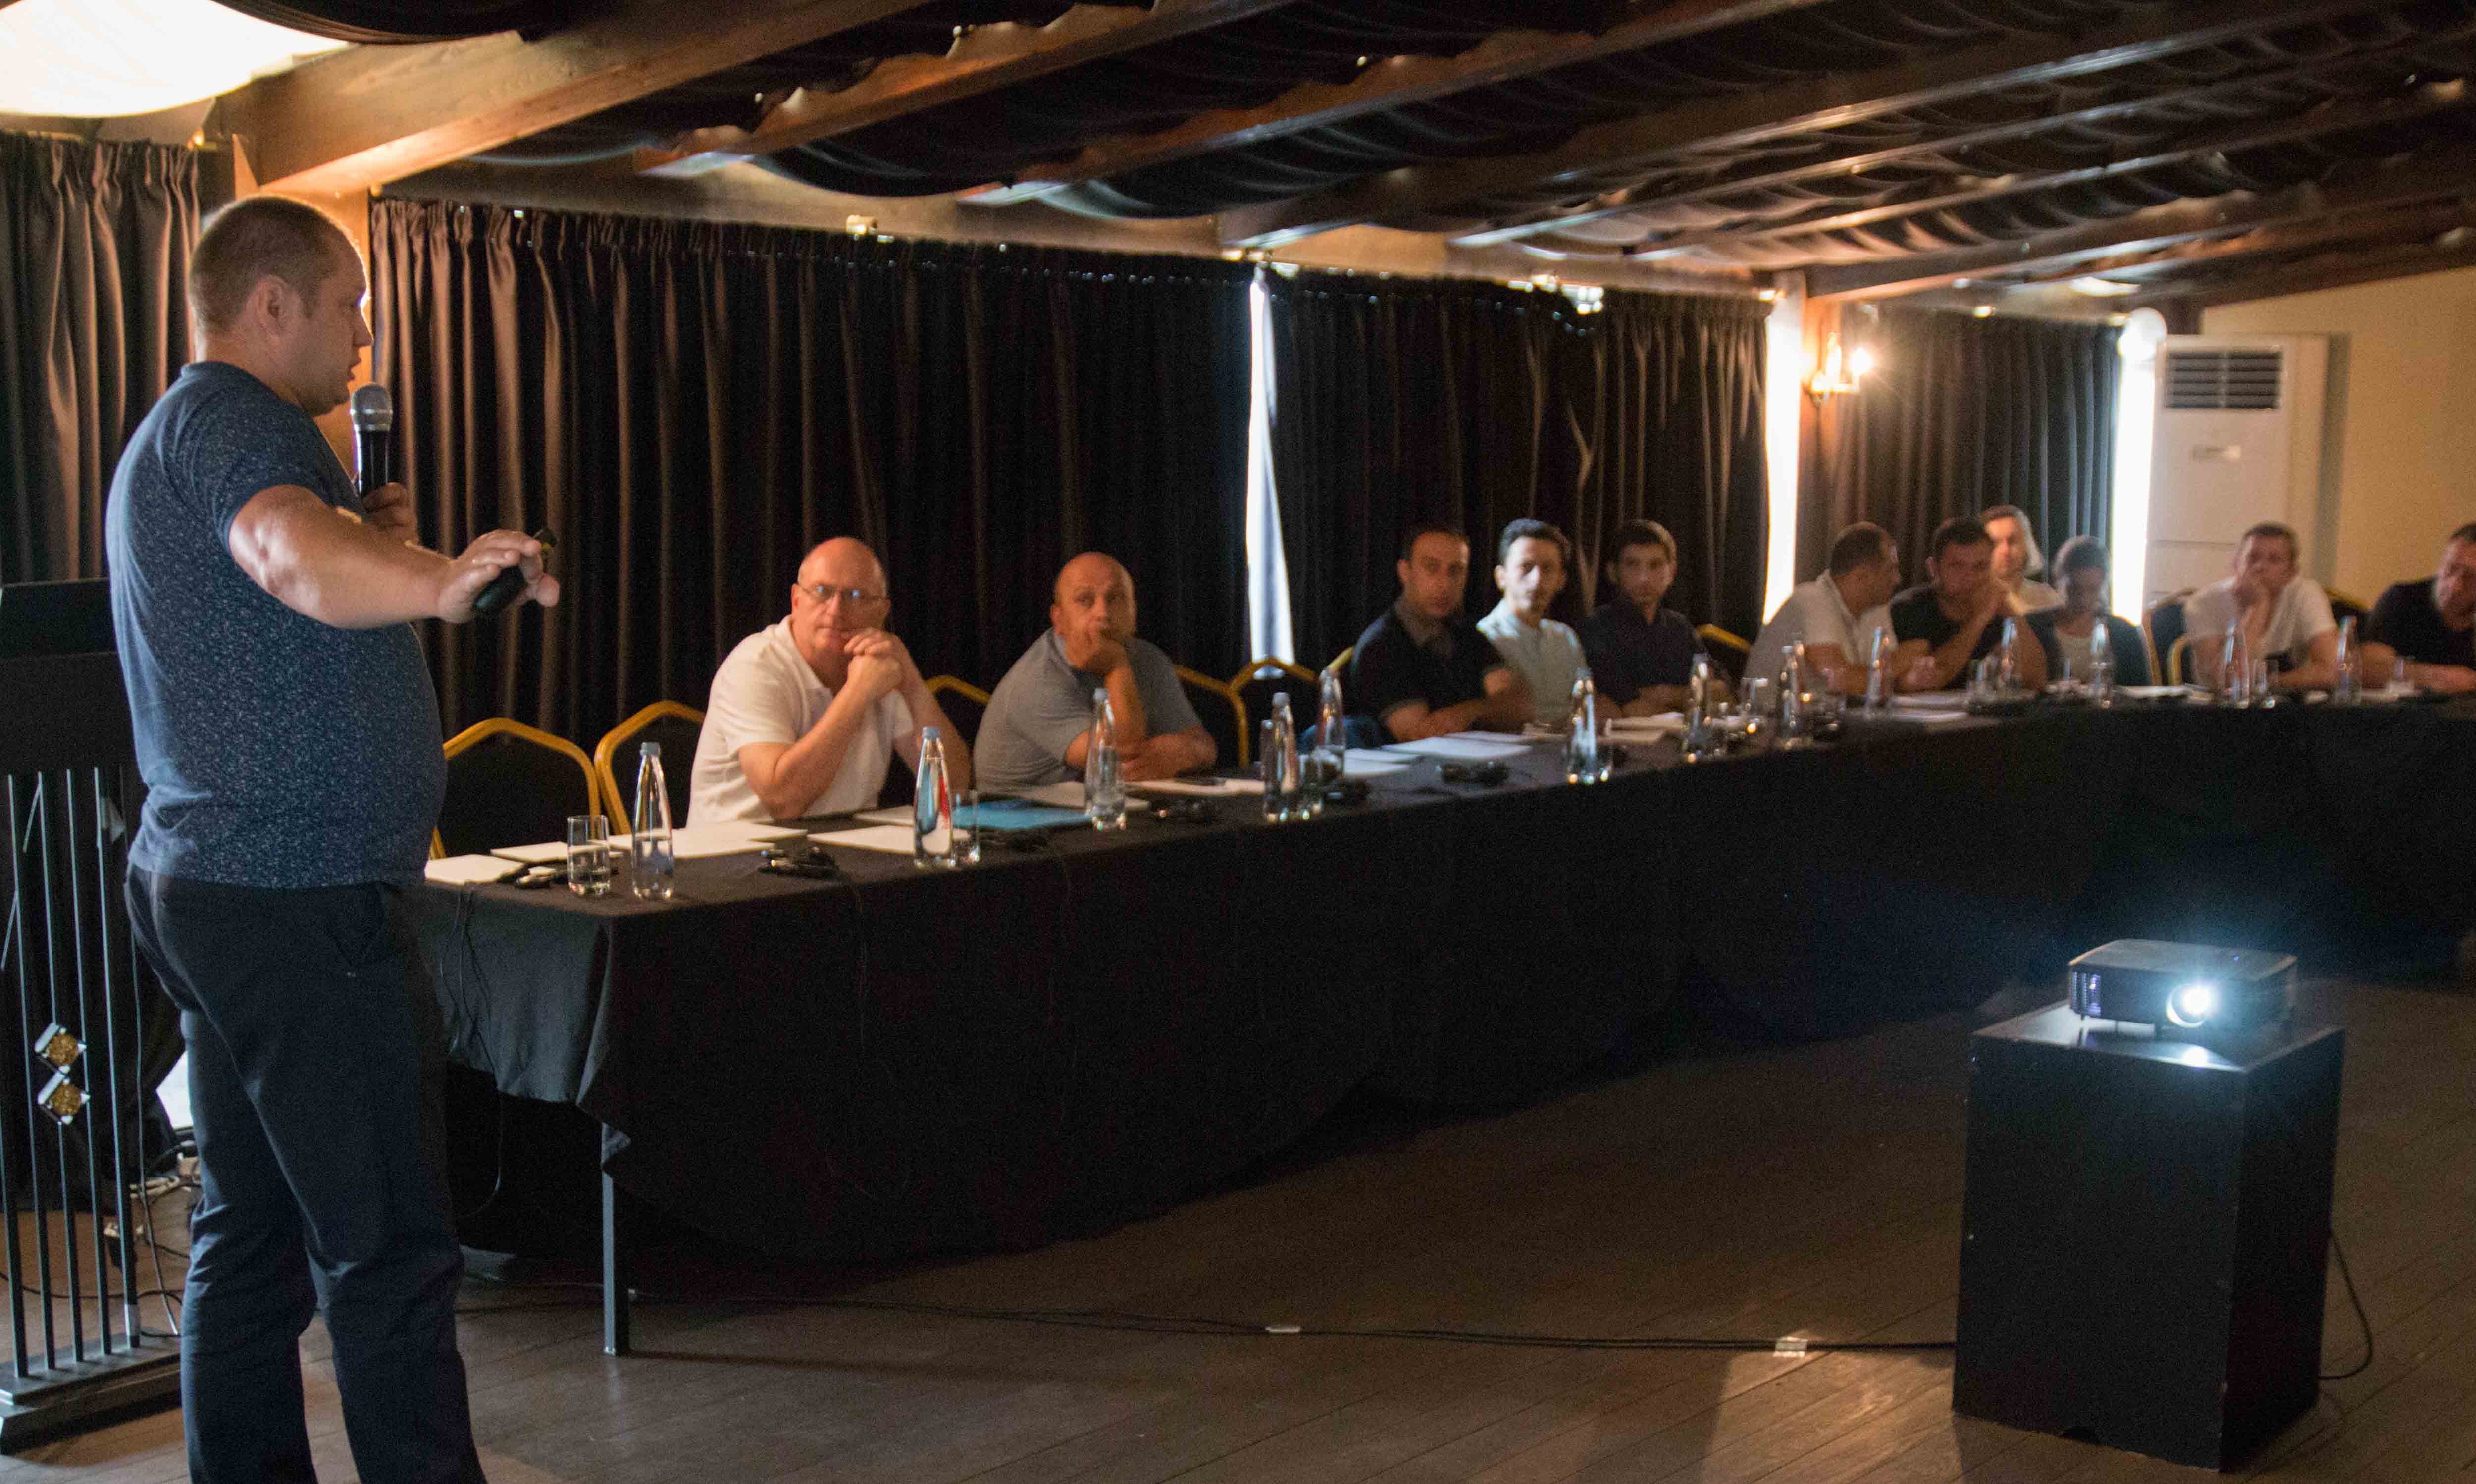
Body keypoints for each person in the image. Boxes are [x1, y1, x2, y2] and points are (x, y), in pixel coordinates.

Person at [106, 196, 537, 1484]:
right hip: (295, 893)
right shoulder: (237, 419)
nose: (362, 336)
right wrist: (442, 578)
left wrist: (372, 547)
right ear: (271, 303)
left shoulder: (190, 433)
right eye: (348, 303)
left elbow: (295, 577)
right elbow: (282, 553)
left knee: (254, 1236)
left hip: (222, 884)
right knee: (388, 1248)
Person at [689, 537, 968, 823]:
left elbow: (954, 789)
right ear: (796, 600)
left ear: (882, 612)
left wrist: (911, 681)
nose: (836, 610)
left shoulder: (879, 664)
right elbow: (783, 801)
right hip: (738, 847)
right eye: (822, 592)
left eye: (856, 596)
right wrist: (858, 691)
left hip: (847, 845)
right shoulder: (755, 665)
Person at [977, 552, 1215, 790]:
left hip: (1108, 802)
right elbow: (1118, 756)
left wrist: (1184, 753)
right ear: (1059, 619)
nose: (1103, 613)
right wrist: (1116, 667)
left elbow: (1205, 746)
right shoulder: (1035, 679)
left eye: (1115, 598)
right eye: (1085, 600)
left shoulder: (1149, 659)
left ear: (1134, 612)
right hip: (1019, 808)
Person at [1347, 523, 1531, 742]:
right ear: (1405, 572)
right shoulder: (1380, 645)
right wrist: (1488, 710)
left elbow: (1521, 705)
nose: (1445, 584)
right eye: (1431, 568)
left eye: (1456, 570)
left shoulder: (1466, 632)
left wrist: (1467, 713)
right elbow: (1421, 734)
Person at [1884, 517, 2048, 691]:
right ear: (1934, 569)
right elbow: (1937, 675)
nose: (1969, 577)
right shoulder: (1909, 608)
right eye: (1957, 566)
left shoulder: (1996, 609)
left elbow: (2037, 680)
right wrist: (1980, 619)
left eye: (1980, 567)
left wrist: (2011, 613)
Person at [1578, 518, 1722, 716]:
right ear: (1613, 572)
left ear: (1672, 572)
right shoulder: (1597, 627)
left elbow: (1723, 692)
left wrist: (1666, 694)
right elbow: (1628, 707)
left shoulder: (1679, 627)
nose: (1644, 578)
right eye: (1632, 565)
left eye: (1655, 566)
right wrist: (1689, 697)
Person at [1745, 522, 1903, 696]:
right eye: (1890, 571)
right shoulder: (1812, 599)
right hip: (1774, 712)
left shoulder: (1875, 607)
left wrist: (1906, 672)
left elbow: (1892, 678)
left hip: (1834, 712)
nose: (1898, 579)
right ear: (1861, 577)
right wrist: (1907, 658)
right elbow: (1841, 682)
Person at [2183, 522, 2338, 692]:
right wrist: (2258, 607)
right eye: (2252, 558)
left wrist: (2267, 682)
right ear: (2236, 564)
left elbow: (2331, 672)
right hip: (2218, 705)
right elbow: (2228, 681)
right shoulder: (2203, 603)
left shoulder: (2306, 594)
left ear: (2291, 572)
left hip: (2290, 703)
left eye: (2275, 560)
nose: (2260, 567)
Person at [1477, 518, 1587, 727]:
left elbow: (1585, 708)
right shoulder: (1484, 637)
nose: (1537, 580)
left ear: (1561, 580)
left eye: (1548, 569)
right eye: (1526, 567)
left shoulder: (1566, 637)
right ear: (1501, 577)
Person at [2362, 523, 2476, 694]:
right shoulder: (2403, 600)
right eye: (2450, 569)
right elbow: (2367, 669)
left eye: (2470, 577)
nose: (2454, 586)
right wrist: (2439, 677)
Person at [2027, 535, 2151, 687]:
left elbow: (2141, 692)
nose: (2084, 599)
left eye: (2093, 590)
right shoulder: (2035, 628)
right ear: (2058, 580)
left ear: (2103, 585)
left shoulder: (2125, 634)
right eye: (2075, 589)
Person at [1982, 504, 2062, 614]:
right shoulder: (1971, 599)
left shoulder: (2048, 599)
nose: (2005, 550)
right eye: (1995, 543)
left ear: (2027, 545)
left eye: (2012, 541)